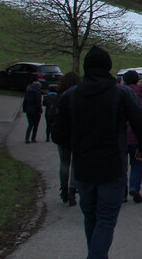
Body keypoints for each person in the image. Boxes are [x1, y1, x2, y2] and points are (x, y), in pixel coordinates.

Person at [52, 46, 142, 259]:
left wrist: (75, 143)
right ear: (108, 67)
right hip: (112, 166)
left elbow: (58, 133)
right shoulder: (121, 93)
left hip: (84, 167)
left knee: (91, 218)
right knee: (106, 220)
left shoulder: (71, 95)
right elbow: (141, 122)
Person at [121, 70, 142, 203]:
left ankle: (122, 193)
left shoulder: (120, 94)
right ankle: (135, 187)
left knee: (121, 166)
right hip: (138, 134)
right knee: (137, 163)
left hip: (121, 134)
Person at [52, 71, 81, 206]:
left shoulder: (59, 96)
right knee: (75, 164)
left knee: (64, 162)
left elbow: (53, 115)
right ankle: (72, 191)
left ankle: (63, 189)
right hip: (76, 133)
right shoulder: (79, 96)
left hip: (62, 133)